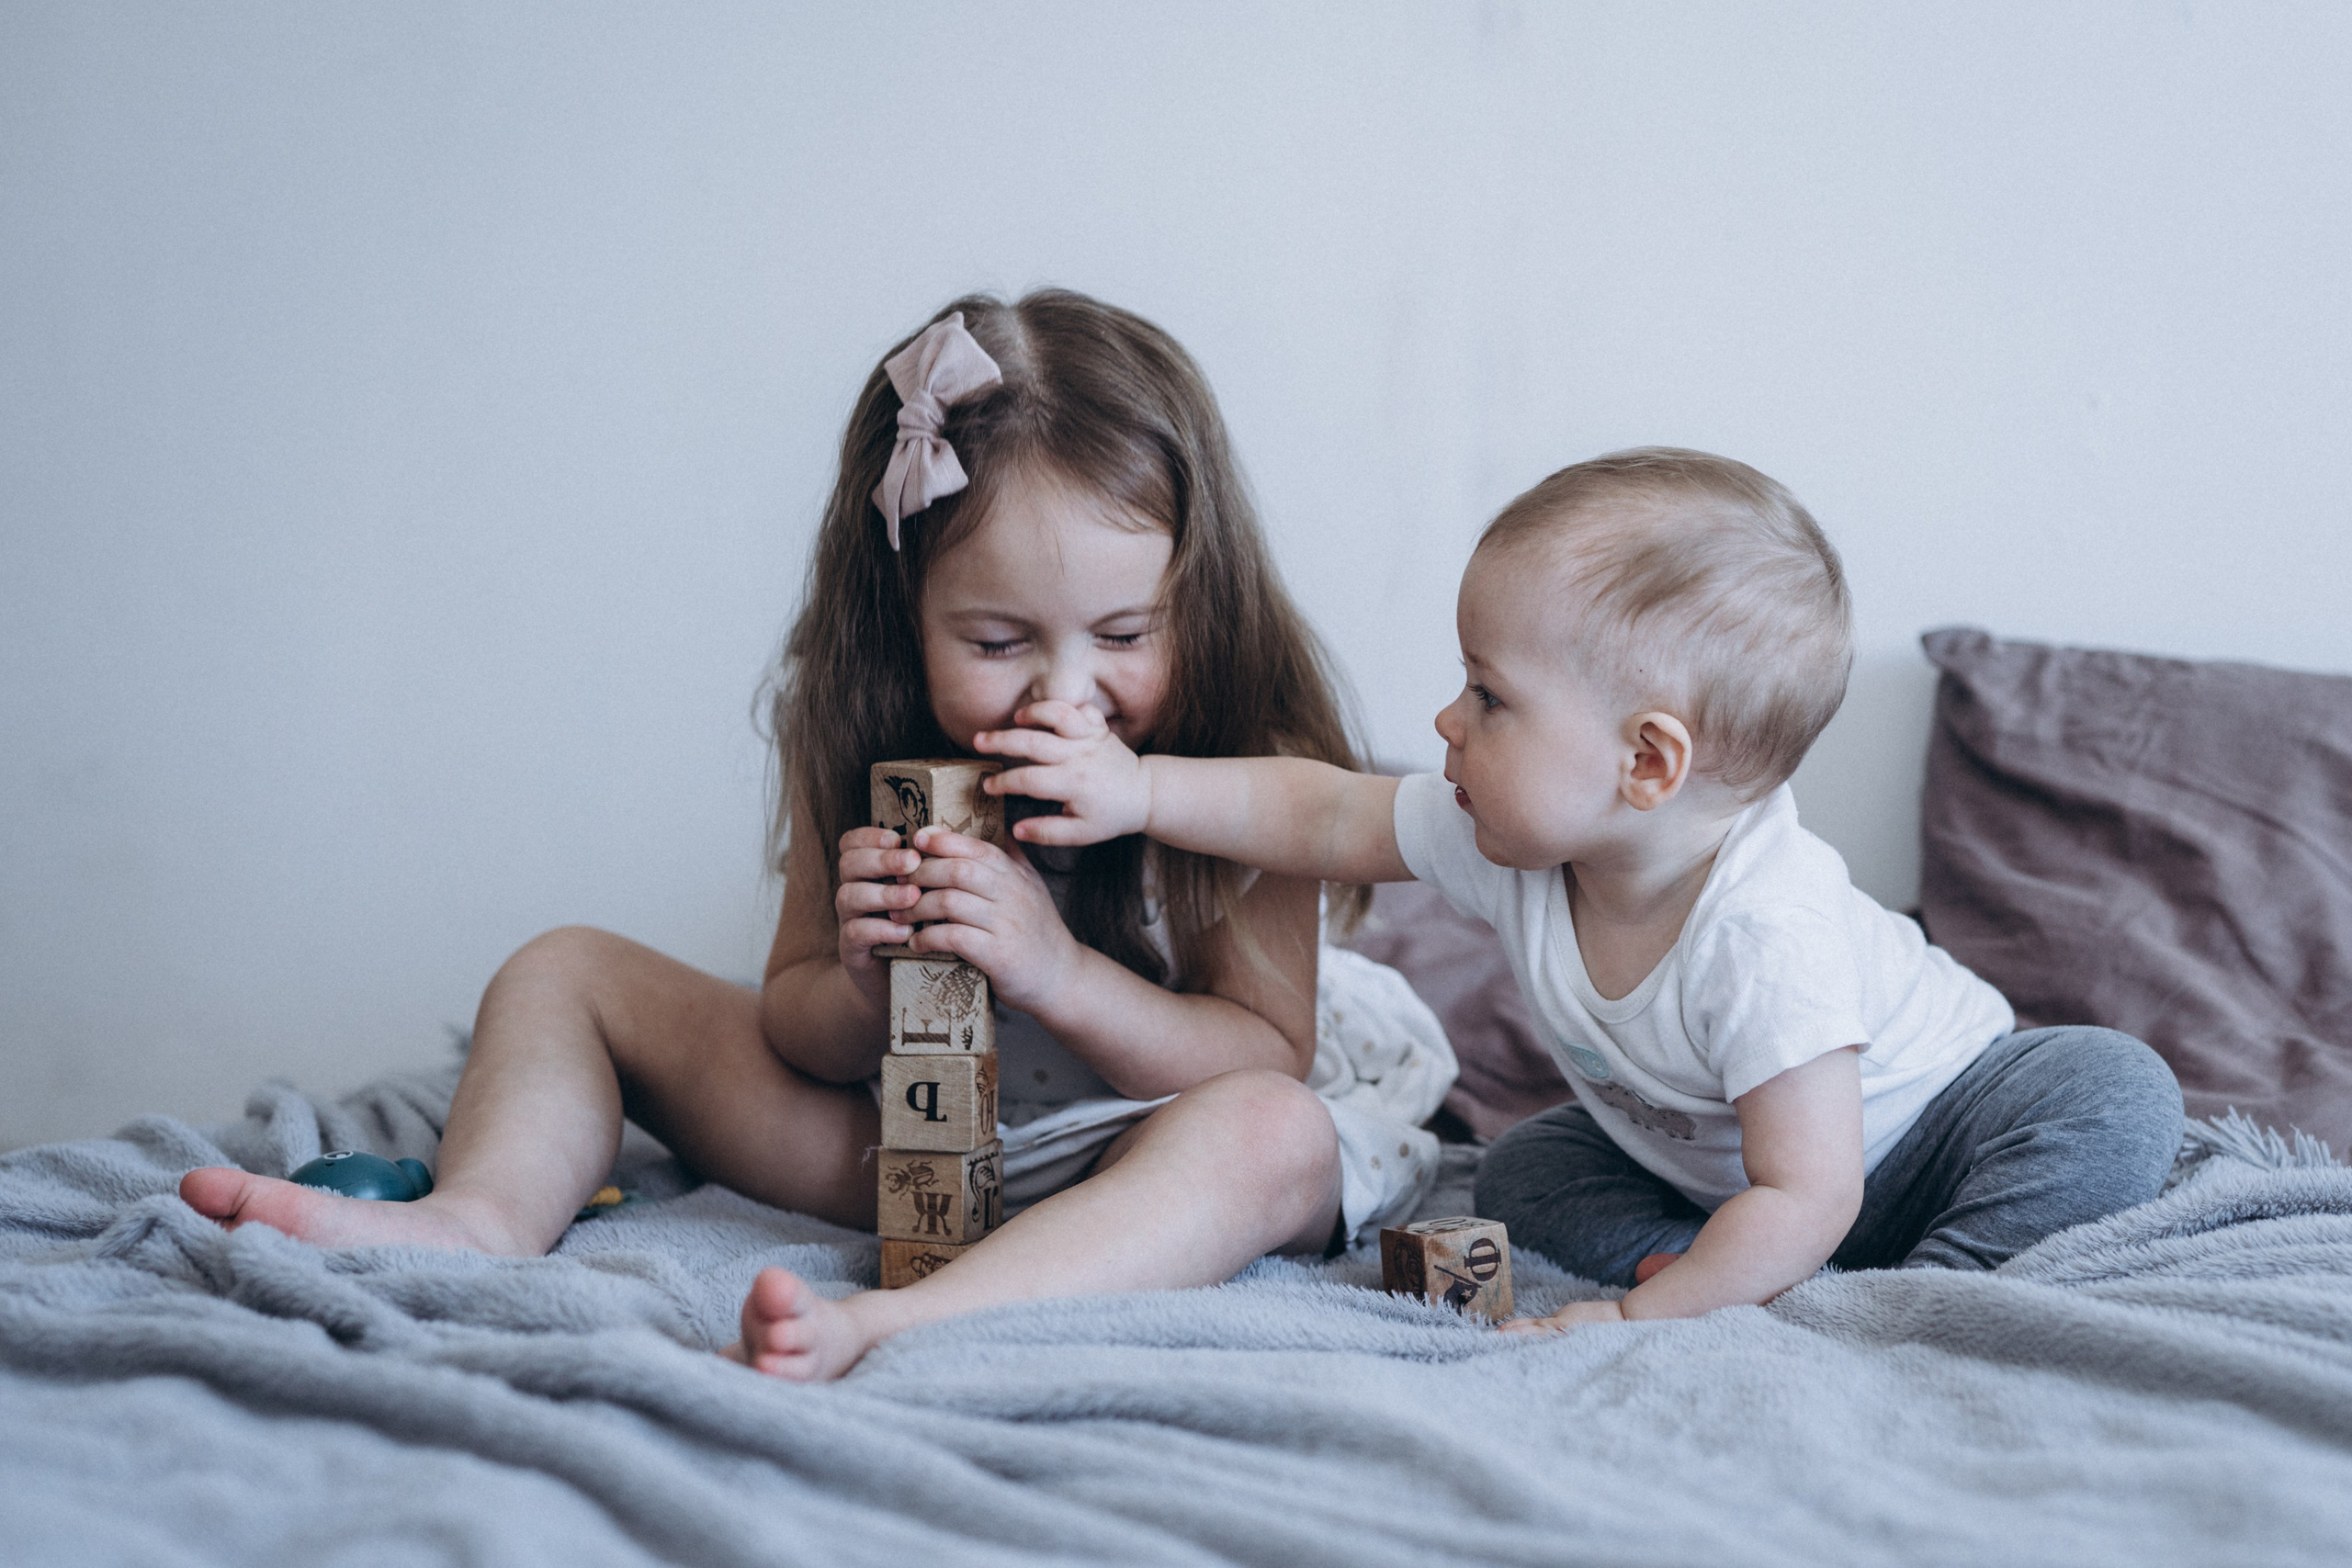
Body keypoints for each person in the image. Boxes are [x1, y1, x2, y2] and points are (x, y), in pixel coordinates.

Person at [178, 290, 1455, 1378]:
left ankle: (916, 1316)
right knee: (565, 968)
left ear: (1204, 599)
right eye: (999, 642)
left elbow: (1260, 1055)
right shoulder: (854, 733)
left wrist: (1055, 974)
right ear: (906, 615)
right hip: (904, 1146)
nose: (1063, 696)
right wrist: (858, 986)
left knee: (1271, 1139)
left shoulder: (1254, 765)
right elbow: (792, 1020)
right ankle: (480, 1220)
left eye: (1124, 638)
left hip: (1134, 1147)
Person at [985, 447, 2184, 1334]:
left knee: (2111, 1092)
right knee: (1522, 1172)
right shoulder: (1513, 838)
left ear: (1646, 763)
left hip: (1928, 1133)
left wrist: (1638, 1323)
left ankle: (1923, 1290)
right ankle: (1725, 1262)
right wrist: (1138, 792)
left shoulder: (1765, 934)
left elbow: (1811, 1185)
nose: (1445, 722)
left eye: (1489, 697)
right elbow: (1326, 811)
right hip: (1715, 1170)